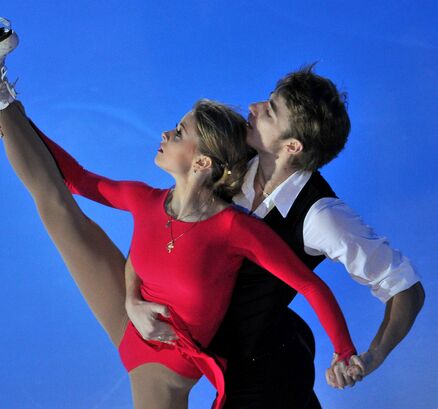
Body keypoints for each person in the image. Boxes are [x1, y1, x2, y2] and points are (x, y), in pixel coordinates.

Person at [0, 32, 362, 409]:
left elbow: (308, 284)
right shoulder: (145, 199)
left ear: (201, 162)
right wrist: (16, 121)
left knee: (57, 206)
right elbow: (75, 178)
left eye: (179, 132)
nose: (165, 134)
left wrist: (344, 350)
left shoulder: (236, 229)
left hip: (165, 373)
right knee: (56, 209)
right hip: (129, 318)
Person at [126, 64, 425, 408]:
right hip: (217, 353)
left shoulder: (320, 216)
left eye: (269, 111)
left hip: (265, 369)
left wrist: (371, 358)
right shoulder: (232, 159)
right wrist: (131, 300)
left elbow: (405, 287)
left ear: (292, 146)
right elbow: (164, 222)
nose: (252, 108)